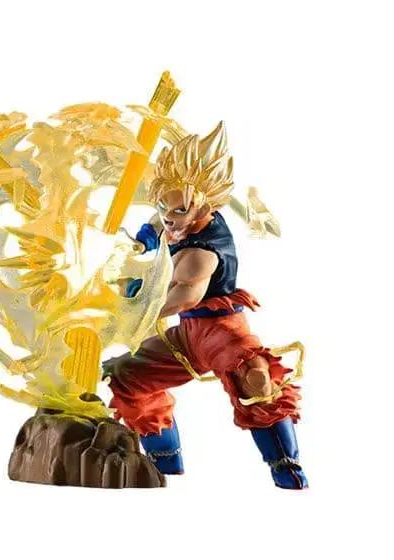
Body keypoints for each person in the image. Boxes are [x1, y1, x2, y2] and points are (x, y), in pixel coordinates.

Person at [102, 122, 308, 489]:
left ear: (203, 206)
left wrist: (136, 310)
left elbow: (186, 295)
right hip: (188, 333)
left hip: (222, 329)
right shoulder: (176, 217)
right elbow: (160, 224)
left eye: (179, 210)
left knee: (255, 379)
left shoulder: (203, 252)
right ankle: (164, 462)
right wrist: (142, 243)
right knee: (127, 375)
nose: (169, 218)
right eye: (163, 207)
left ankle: (286, 467)